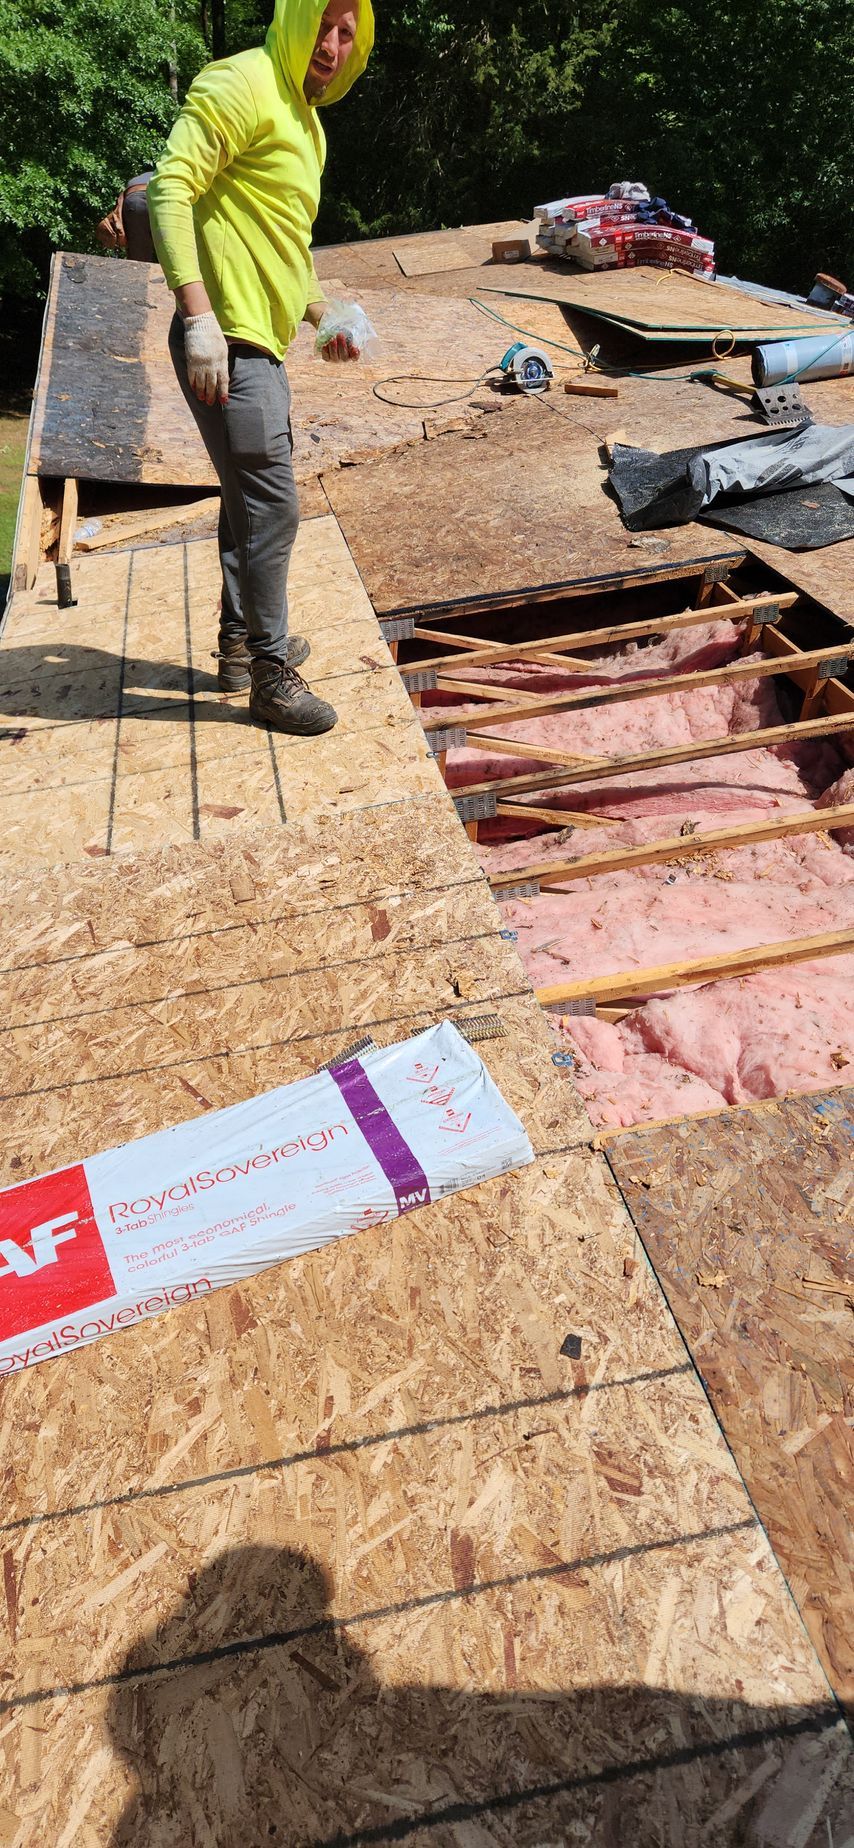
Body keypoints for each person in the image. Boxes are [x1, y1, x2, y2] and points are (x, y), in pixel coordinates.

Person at [147, 0, 374, 736]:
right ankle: (272, 676)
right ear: (297, 18)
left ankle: (240, 649)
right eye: (324, 24)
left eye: (347, 33)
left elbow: (283, 244)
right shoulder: (241, 81)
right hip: (226, 344)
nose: (332, 44)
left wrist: (321, 314)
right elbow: (170, 188)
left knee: (246, 499)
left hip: (261, 346)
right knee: (273, 507)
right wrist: (197, 315)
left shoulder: (309, 125)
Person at [95, 173, 157, 262]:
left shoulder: (160, 171)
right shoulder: (173, 172)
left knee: (139, 258)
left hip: (133, 199)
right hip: (159, 196)